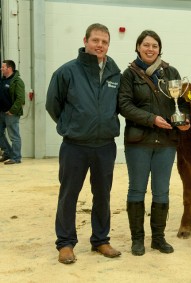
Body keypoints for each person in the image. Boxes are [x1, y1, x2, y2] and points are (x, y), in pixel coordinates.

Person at [46, 23, 122, 264]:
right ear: (85, 41)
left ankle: (101, 240)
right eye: (95, 40)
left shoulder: (115, 73)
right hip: (75, 146)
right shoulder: (66, 72)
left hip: (105, 146)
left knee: (103, 195)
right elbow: (53, 104)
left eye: (104, 42)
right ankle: (65, 243)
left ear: (108, 44)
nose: (100, 45)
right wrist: (72, 125)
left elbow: (119, 105)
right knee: (69, 194)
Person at [118, 30, 190, 256]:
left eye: (154, 46)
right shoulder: (129, 75)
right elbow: (124, 105)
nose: (150, 49)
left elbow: (183, 103)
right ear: (138, 47)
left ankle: (158, 238)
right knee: (137, 189)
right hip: (138, 141)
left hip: (167, 142)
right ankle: (137, 239)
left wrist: (184, 119)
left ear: (160, 49)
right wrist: (152, 119)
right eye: (146, 45)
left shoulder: (172, 72)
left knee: (161, 191)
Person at [0, 60, 25, 165]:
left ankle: (16, 157)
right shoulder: (2, 80)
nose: (1, 69)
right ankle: (7, 153)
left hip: (11, 113)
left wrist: (12, 110)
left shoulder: (17, 81)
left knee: (14, 136)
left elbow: (20, 99)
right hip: (1, 112)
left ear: (9, 68)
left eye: (3, 67)